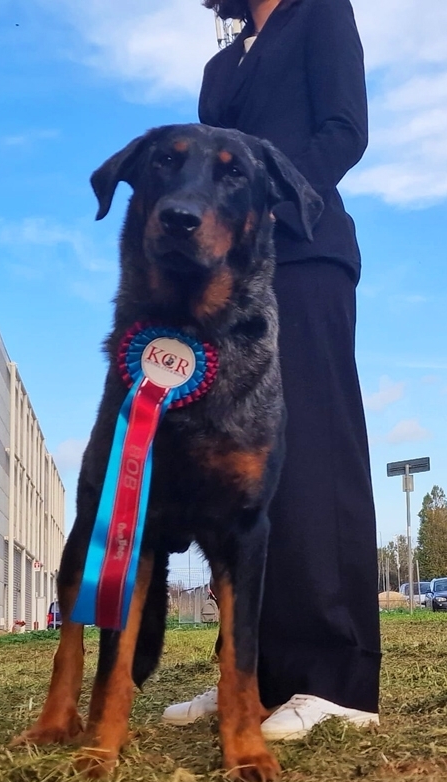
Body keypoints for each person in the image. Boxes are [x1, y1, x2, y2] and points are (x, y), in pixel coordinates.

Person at [161, 0, 381, 740]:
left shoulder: (320, 14)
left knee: (315, 453)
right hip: (230, 282)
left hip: (306, 256)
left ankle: (334, 681)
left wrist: (268, 210)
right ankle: (247, 673)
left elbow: (344, 131)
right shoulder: (221, 66)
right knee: (247, 473)